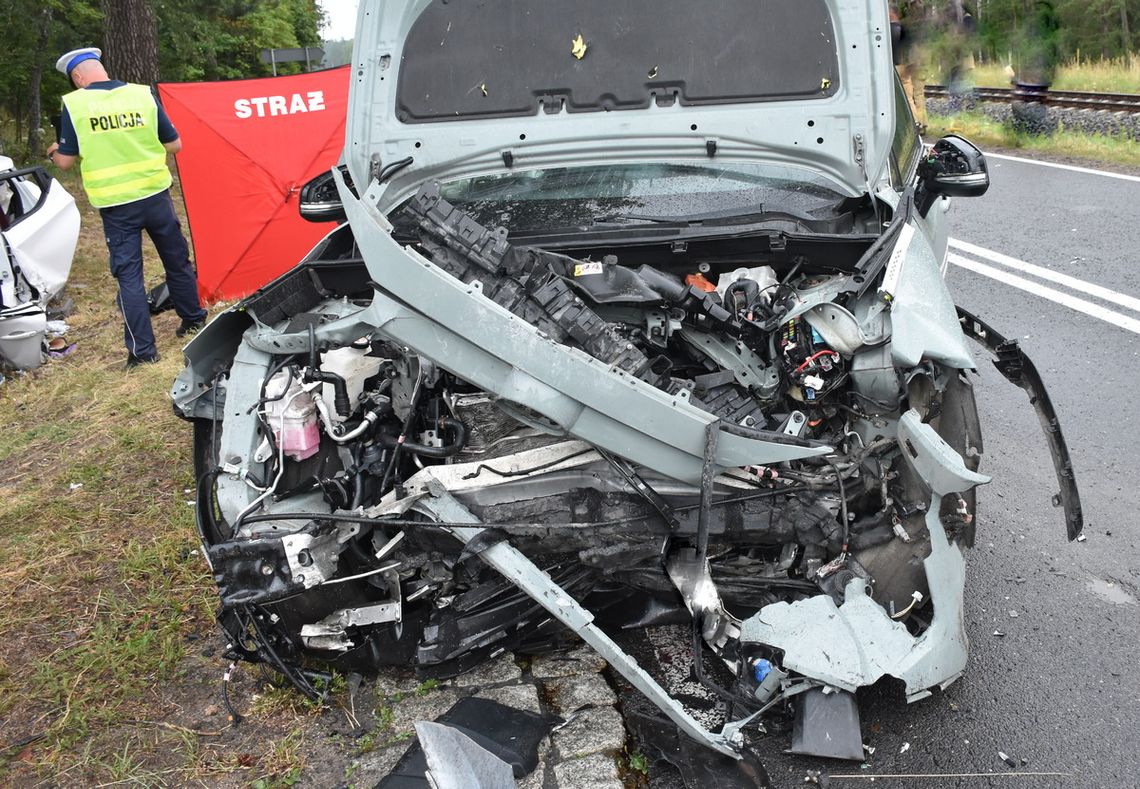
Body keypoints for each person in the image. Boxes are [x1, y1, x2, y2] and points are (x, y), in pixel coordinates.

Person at [46, 47, 207, 368]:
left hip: (117, 206)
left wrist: (53, 151)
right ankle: (193, 320)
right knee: (177, 260)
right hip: (156, 194)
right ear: (101, 70)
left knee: (130, 277)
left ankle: (143, 352)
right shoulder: (141, 95)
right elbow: (175, 144)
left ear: (78, 77)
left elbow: (64, 162)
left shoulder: (75, 104)